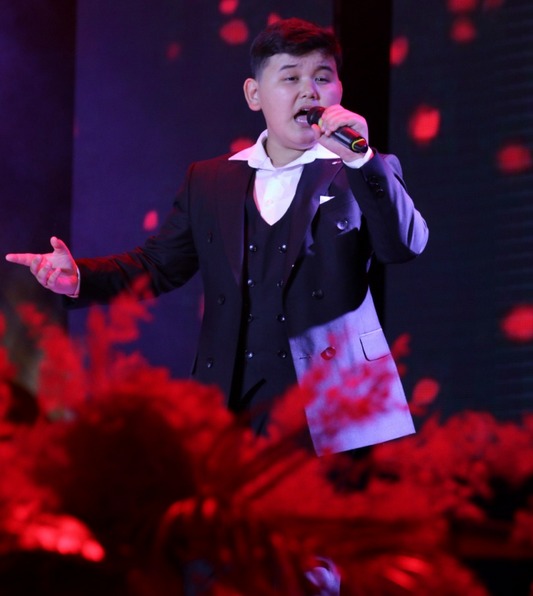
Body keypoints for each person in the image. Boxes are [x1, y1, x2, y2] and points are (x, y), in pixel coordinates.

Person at [6, 17, 428, 456]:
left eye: (323, 77)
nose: (310, 92)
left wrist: (361, 160)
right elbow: (158, 266)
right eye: (291, 78)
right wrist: (80, 277)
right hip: (233, 402)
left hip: (338, 403)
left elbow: (405, 245)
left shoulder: (364, 171)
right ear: (254, 94)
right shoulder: (210, 181)